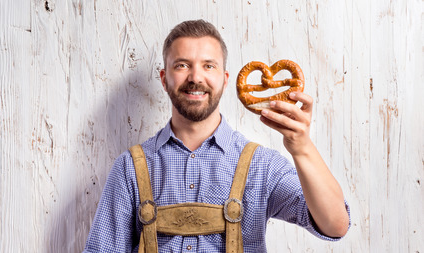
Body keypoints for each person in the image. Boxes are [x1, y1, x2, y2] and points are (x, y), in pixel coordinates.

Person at [83, 20, 350, 253]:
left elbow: (335, 225)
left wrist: (302, 148)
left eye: (208, 66)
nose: (195, 77)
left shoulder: (261, 166)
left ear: (224, 79)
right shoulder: (131, 168)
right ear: (164, 79)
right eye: (182, 65)